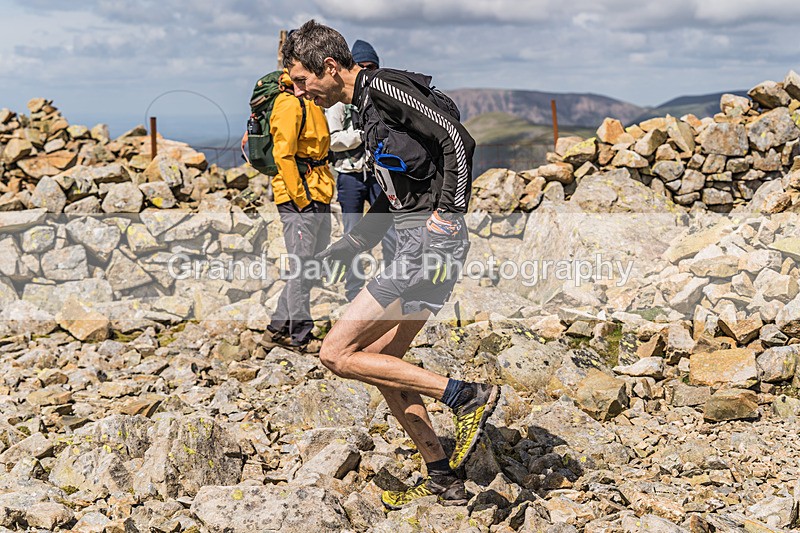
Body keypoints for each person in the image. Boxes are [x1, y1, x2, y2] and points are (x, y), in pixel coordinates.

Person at [282, 21, 500, 509]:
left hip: (427, 246)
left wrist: (449, 212)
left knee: (336, 353)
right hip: (423, 246)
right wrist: (346, 248)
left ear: (329, 67)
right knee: (384, 364)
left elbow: (457, 139)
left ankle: (465, 396)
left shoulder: (382, 87)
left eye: (301, 80)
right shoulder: (365, 110)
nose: (299, 92)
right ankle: (441, 475)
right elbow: (389, 199)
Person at [261, 69, 335, 354]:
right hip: (300, 197)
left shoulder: (308, 100)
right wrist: (302, 200)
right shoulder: (289, 103)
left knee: (308, 267)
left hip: (318, 191)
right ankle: (300, 337)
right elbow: (283, 154)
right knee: (302, 269)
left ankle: (276, 330)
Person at [325, 40, 396, 302]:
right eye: (362, 66)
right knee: (352, 233)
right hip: (349, 175)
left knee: (390, 231)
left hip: (378, 174)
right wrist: (362, 134)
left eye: (371, 66)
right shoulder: (338, 102)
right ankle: (354, 290)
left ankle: (393, 284)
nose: (366, 71)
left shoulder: (379, 99)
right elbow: (332, 139)